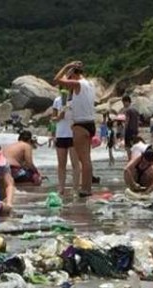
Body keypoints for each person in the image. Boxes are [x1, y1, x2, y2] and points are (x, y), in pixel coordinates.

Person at [52, 60, 97, 196]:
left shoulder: (78, 84)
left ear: (73, 75)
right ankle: (87, 188)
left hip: (80, 124)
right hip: (90, 123)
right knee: (86, 159)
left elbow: (57, 80)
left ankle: (86, 189)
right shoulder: (90, 84)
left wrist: (67, 66)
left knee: (84, 160)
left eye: (70, 76)